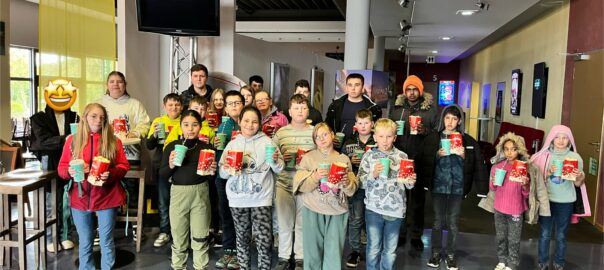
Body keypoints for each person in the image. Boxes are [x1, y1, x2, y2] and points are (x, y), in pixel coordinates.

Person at [57, 103, 130, 270]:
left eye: (102, 117)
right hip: (80, 198)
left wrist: (111, 174)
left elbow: (123, 166)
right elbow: (61, 169)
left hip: (107, 197)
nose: (98, 121)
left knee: (106, 240)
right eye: (94, 116)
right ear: (84, 118)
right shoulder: (72, 141)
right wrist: (69, 172)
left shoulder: (113, 140)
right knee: (85, 241)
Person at [417, 104, 488, 270]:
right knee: (437, 222)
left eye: (454, 119)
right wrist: (437, 155)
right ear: (443, 119)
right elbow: (423, 161)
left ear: (459, 121)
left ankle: (450, 255)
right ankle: (435, 253)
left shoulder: (468, 141)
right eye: (447, 117)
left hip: (457, 187)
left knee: (453, 223)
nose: (450, 122)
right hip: (438, 186)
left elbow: (478, 165)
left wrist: (464, 155)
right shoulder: (433, 138)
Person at [219, 106, 285, 270]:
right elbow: (222, 174)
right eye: (246, 121)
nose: (250, 125)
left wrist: (275, 161)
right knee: (241, 238)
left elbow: (279, 168)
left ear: (260, 123)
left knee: (264, 240)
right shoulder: (232, 144)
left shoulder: (268, 142)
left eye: (254, 121)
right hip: (237, 200)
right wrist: (226, 168)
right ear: (240, 121)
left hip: (261, 198)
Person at [293, 123, 358, 270]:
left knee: (334, 251)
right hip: (312, 210)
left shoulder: (343, 159)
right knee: (312, 251)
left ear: (333, 135)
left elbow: (351, 190)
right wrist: (315, 176)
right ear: (314, 141)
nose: (321, 139)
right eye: (317, 137)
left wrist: (346, 182)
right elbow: (300, 186)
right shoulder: (308, 158)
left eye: (325, 134)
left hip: (337, 212)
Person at [160, 110, 217, 270]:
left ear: (200, 127)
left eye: (194, 125)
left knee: (200, 238)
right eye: (186, 125)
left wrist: (213, 171)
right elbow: (163, 174)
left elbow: (212, 179)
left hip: (201, 194)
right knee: (179, 239)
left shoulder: (206, 147)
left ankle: (201, 267)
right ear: (180, 127)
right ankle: (178, 267)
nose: (190, 129)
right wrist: (171, 164)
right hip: (178, 194)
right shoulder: (172, 147)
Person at [97, 71, 150, 239]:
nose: (115, 84)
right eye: (112, 81)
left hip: (130, 154)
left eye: (119, 81)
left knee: (131, 190)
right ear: (107, 84)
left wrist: (134, 133)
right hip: (105, 154)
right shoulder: (99, 103)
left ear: (125, 84)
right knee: (102, 189)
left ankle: (136, 226)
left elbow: (145, 124)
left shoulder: (135, 104)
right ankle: (102, 228)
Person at [358, 118, 416, 270]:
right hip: (373, 209)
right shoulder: (369, 156)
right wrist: (372, 174)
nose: (385, 141)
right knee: (373, 248)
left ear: (395, 137)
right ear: (375, 137)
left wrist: (411, 180)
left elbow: (408, 185)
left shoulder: (402, 157)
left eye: (389, 136)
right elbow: (360, 182)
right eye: (381, 136)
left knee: (390, 251)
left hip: (395, 210)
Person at [390, 75, 438, 252]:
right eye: (408, 89)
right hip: (399, 158)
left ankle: (416, 235)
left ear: (420, 90)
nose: (411, 93)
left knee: (417, 201)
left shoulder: (429, 110)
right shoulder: (396, 109)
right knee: (400, 198)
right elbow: (388, 129)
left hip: (419, 159)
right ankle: (401, 233)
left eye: (414, 89)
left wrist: (424, 130)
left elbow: (436, 134)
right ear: (404, 91)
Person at [530, 125, 587, 270]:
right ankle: (542, 261)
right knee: (545, 233)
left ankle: (559, 262)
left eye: (565, 137)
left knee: (561, 235)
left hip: (566, 201)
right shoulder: (543, 156)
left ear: (570, 140)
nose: (561, 141)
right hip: (546, 201)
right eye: (557, 137)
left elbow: (577, 183)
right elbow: (534, 178)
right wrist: (548, 173)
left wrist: (580, 177)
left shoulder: (575, 157)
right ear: (552, 139)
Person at [272, 94, 315, 270]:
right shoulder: (281, 133)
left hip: (305, 183)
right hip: (284, 182)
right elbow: (273, 156)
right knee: (284, 221)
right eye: (296, 108)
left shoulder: (314, 132)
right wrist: (282, 156)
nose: (300, 111)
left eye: (303, 108)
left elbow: (321, 154)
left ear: (308, 111)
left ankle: (300, 257)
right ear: (289, 111)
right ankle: (283, 256)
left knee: (302, 222)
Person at [30, 100, 78, 252]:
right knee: (50, 201)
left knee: (66, 200)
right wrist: (68, 139)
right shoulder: (38, 118)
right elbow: (42, 141)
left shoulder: (75, 116)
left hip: (70, 161)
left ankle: (66, 236)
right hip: (49, 162)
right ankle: (51, 237)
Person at [485, 133, 531, 270]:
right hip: (499, 208)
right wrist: (493, 181)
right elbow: (492, 188)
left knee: (514, 240)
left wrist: (525, 184)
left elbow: (526, 193)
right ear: (502, 150)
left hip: (516, 209)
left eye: (513, 149)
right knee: (500, 237)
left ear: (519, 150)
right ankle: (502, 260)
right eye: (506, 149)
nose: (509, 152)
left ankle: (512, 263)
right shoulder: (497, 167)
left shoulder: (523, 169)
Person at [146, 93, 183, 247]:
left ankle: (179, 232)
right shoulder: (158, 121)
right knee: (163, 200)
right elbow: (149, 146)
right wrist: (154, 135)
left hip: (181, 166)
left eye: (176, 105)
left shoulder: (185, 121)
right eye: (170, 105)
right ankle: (164, 231)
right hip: (161, 165)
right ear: (164, 106)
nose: (173, 108)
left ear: (181, 106)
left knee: (180, 201)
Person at [213, 91, 245, 269]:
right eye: (230, 103)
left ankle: (240, 252)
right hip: (224, 177)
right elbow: (219, 154)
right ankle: (228, 251)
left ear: (243, 104)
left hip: (242, 178)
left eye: (237, 102)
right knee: (226, 214)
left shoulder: (248, 123)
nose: (234, 106)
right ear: (225, 107)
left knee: (240, 217)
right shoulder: (223, 126)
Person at [341, 109, 376, 268]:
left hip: (374, 187)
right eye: (360, 123)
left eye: (366, 123)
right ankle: (355, 250)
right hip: (355, 186)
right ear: (355, 125)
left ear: (372, 124)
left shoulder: (377, 142)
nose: (363, 126)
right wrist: (350, 159)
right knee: (355, 219)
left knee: (372, 220)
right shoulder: (348, 142)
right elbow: (341, 161)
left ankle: (372, 249)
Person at [325, 73, 381, 149]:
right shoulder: (335, 106)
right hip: (338, 148)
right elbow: (327, 125)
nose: (353, 88)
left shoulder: (373, 108)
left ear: (362, 87)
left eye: (357, 85)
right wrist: (331, 136)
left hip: (362, 149)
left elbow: (378, 130)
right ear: (346, 87)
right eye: (350, 85)